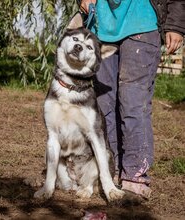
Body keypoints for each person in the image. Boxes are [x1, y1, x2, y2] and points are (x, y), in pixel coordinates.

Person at [79, 0, 185, 199]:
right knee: (104, 105)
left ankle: (135, 178)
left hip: (142, 23)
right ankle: (111, 171)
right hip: (99, 29)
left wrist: (176, 25)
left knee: (133, 102)